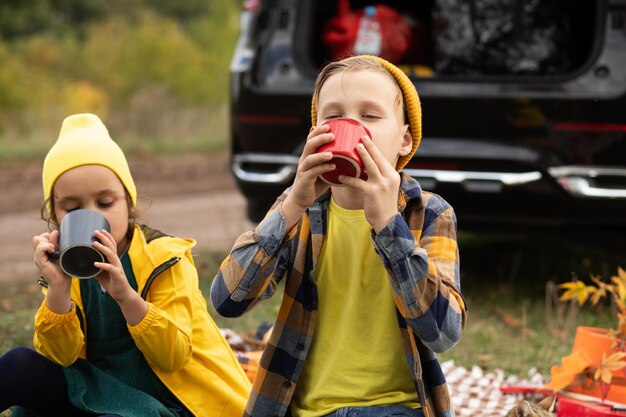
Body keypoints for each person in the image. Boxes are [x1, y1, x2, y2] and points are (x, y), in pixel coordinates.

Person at [211, 55, 468, 417]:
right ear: (315, 134)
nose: (350, 126)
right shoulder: (297, 209)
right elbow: (227, 300)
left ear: (405, 140)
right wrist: (291, 207)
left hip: (395, 408)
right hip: (303, 409)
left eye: (370, 115)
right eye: (333, 116)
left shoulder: (429, 213)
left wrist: (388, 226)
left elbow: (443, 332)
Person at [0, 114, 251, 417]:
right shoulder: (66, 267)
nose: (90, 215)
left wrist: (126, 296)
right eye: (72, 208)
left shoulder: (164, 258)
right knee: (19, 365)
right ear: (55, 216)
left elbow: (173, 356)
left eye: (105, 203)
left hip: (169, 403)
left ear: (129, 204)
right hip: (99, 391)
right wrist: (57, 291)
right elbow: (60, 359)